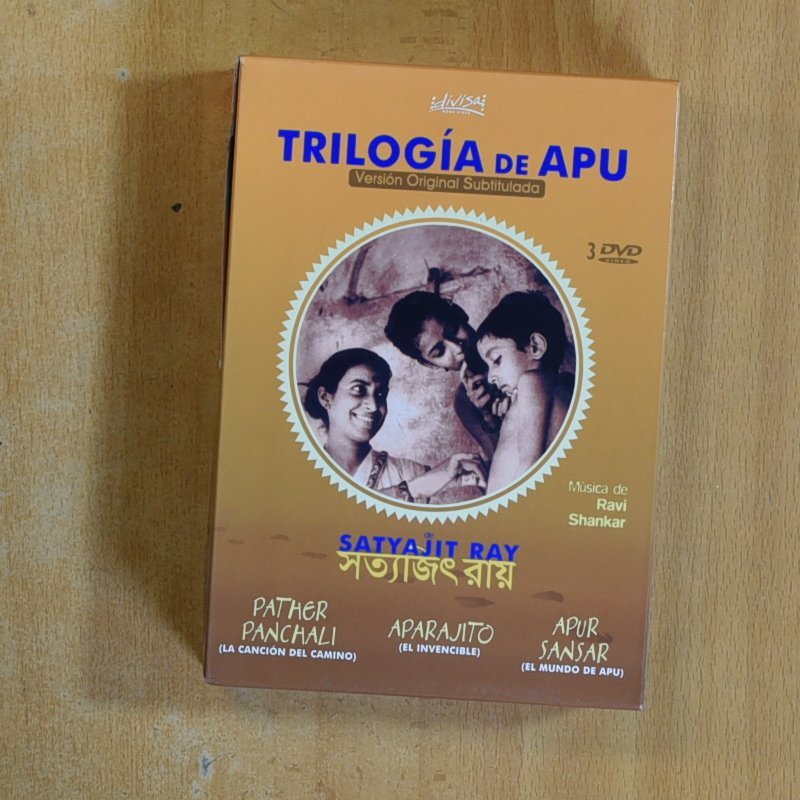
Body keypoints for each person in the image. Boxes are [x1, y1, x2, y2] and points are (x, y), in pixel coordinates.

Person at [302, 348, 485, 503]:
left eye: (380, 394)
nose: (373, 406)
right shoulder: (301, 471)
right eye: (358, 390)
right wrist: (411, 489)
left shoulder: (413, 472)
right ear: (325, 398)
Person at [384, 291, 505, 460]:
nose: (457, 348)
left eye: (453, 329)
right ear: (431, 364)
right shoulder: (465, 402)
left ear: (461, 313)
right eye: (440, 351)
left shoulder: (509, 335)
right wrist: (488, 416)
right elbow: (502, 462)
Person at [475, 291, 574, 493]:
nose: (491, 377)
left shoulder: (532, 382)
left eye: (496, 360)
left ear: (535, 347)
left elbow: (530, 464)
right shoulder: (559, 385)